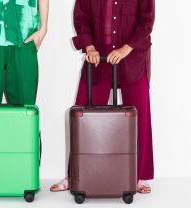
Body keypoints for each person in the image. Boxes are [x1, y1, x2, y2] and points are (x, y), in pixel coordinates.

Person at [50, 0, 155, 194]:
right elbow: (81, 18)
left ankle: (139, 175)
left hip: (132, 57)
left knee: (140, 115)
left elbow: (146, 21)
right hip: (98, 58)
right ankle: (74, 175)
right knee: (83, 115)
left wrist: (125, 49)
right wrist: (89, 48)